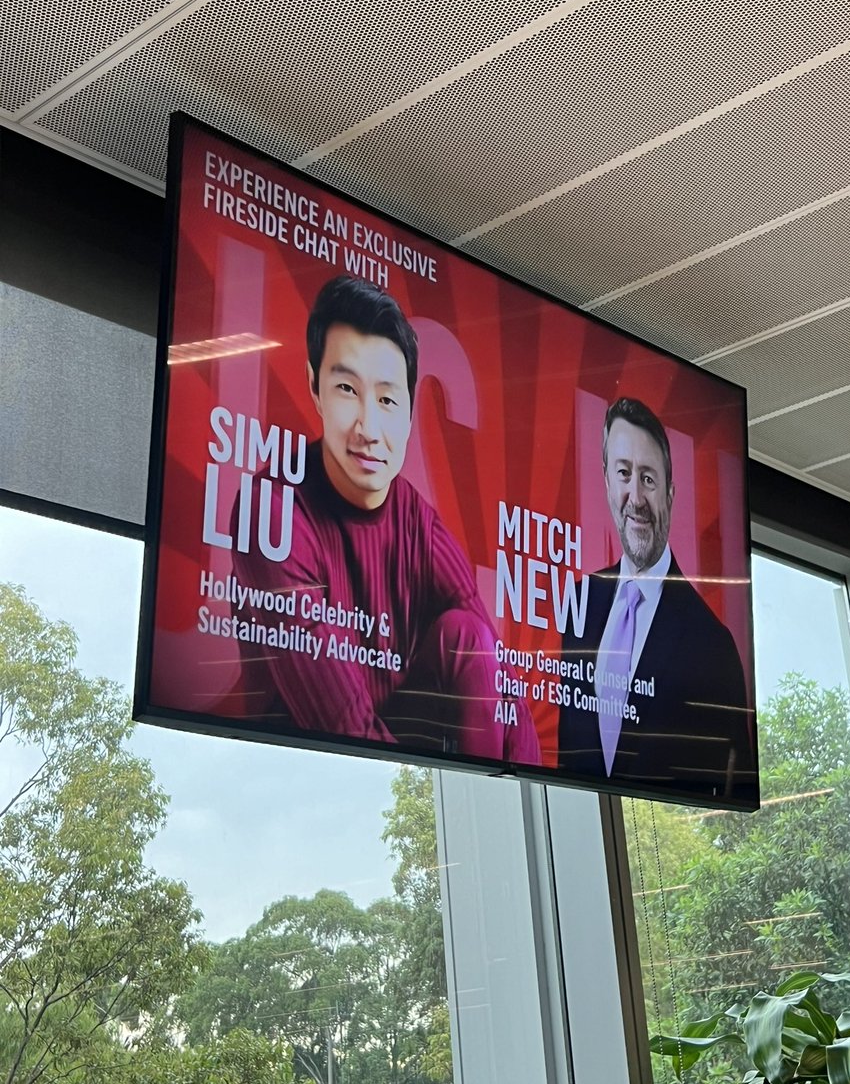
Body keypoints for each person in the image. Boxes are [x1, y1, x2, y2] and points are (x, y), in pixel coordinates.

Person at [230, 274, 540, 764]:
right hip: (299, 769)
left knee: (471, 640)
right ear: (314, 388)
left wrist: (524, 783)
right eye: (347, 389)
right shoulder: (272, 510)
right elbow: (340, 723)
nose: (369, 429)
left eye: (388, 400)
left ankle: (484, 786)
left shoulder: (415, 516)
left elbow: (501, 678)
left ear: (412, 412)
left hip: (401, 759)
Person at [558, 397, 756, 805]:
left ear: (670, 492)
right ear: (607, 481)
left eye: (648, 479)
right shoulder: (579, 601)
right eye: (624, 474)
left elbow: (733, 788)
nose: (636, 496)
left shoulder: (714, 645)